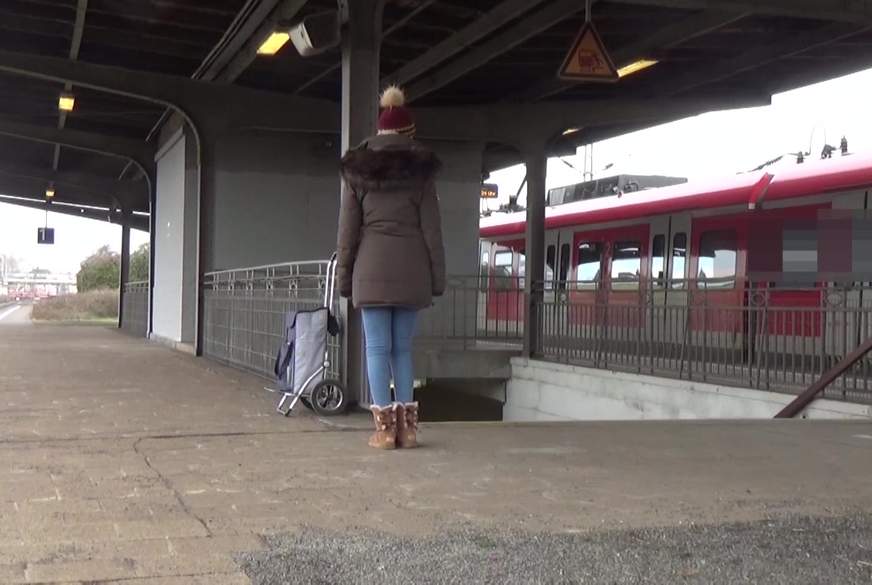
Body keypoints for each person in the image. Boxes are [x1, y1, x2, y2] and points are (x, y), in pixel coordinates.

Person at [337, 85, 446, 450]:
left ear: (379, 130)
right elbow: (432, 231)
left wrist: (345, 279)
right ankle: (408, 431)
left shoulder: (357, 171)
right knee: (402, 349)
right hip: (412, 271)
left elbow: (347, 233)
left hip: (370, 269)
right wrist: (437, 278)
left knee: (377, 348)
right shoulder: (422, 173)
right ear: (408, 133)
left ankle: (384, 431)